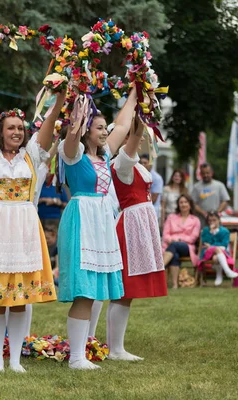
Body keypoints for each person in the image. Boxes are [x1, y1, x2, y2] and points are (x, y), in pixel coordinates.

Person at [0, 93, 63, 373]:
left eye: (20, 128)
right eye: (11, 128)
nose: (17, 132)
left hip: (24, 229)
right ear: (0, 131)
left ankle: (16, 360)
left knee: (19, 299)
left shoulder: (31, 154)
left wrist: (59, 101)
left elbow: (48, 126)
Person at [57, 88, 141, 370]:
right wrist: (78, 115)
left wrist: (135, 90)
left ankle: (80, 353)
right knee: (83, 289)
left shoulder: (104, 156)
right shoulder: (73, 153)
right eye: (99, 127)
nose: (105, 132)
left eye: (106, 127)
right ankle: (76, 357)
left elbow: (125, 123)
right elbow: (71, 137)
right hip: (82, 218)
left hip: (101, 221)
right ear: (86, 130)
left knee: (92, 290)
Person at [101, 116, 167, 361]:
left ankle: (116, 347)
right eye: (132, 136)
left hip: (139, 227)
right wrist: (140, 108)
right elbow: (137, 137)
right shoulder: (121, 164)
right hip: (129, 228)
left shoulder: (134, 165)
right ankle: (115, 349)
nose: (139, 141)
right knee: (124, 290)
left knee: (127, 292)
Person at [162, 194, 201, 289]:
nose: (183, 204)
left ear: (190, 205)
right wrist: (172, 240)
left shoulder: (195, 220)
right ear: (178, 205)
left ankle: (161, 267)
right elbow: (165, 234)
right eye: (181, 202)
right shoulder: (171, 217)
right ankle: (175, 285)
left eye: (185, 202)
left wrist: (178, 239)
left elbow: (193, 238)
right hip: (170, 246)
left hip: (187, 247)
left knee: (175, 245)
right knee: (174, 255)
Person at [198, 212, 238, 286]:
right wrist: (211, 233)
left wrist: (212, 246)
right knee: (217, 249)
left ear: (219, 220)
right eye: (210, 220)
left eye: (214, 220)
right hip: (207, 253)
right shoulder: (206, 231)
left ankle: (219, 274)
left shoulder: (225, 231)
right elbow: (205, 242)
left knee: (216, 256)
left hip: (221, 252)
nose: (212, 222)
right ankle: (227, 271)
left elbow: (224, 244)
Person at [139, 154, 163, 219]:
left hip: (152, 212)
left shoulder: (157, 178)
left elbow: (154, 198)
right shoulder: (138, 175)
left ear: (150, 164)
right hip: (140, 211)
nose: (142, 165)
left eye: (145, 163)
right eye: (141, 163)